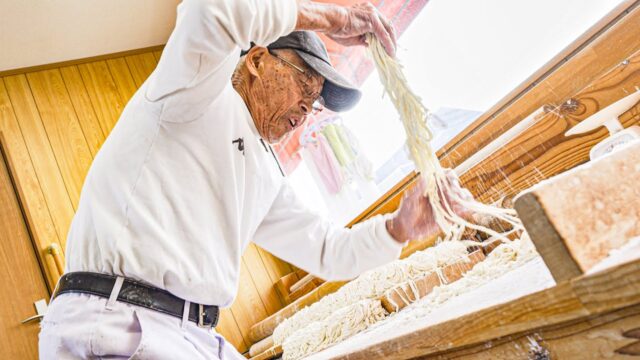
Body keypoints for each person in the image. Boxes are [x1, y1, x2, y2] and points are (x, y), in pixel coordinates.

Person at [39, 0, 469, 358]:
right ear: (258, 59)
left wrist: (400, 228)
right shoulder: (193, 92)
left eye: (316, 101)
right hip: (121, 321)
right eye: (304, 83)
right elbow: (213, 11)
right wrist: (332, 18)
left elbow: (327, 250)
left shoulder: (264, 171)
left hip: (194, 335)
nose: (306, 107)